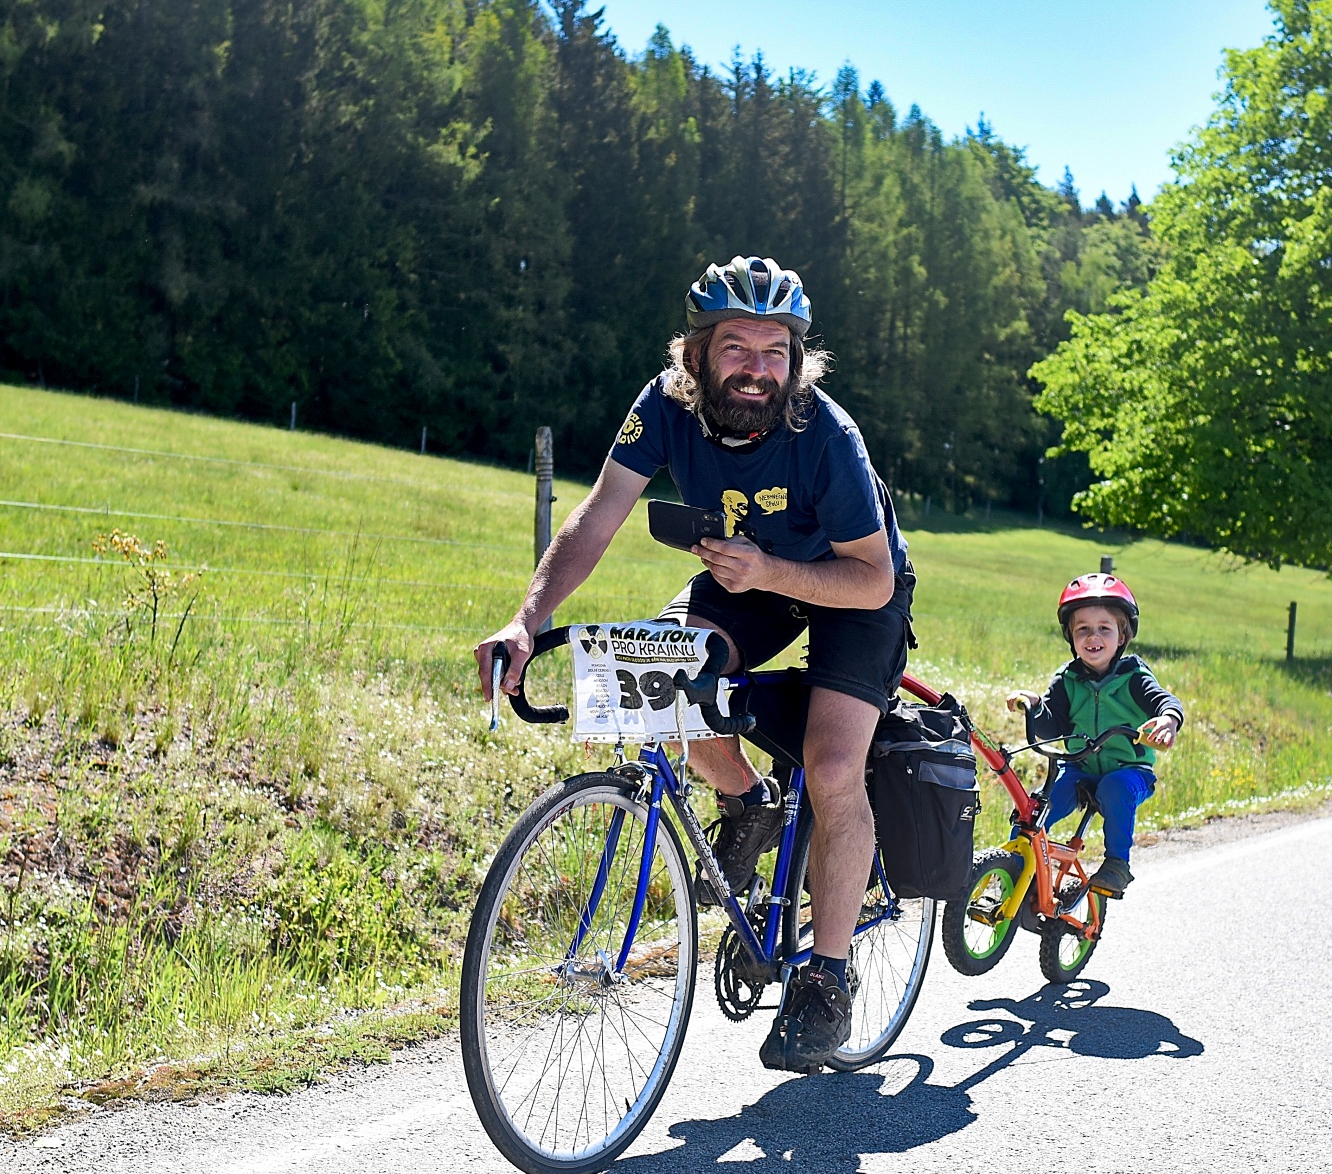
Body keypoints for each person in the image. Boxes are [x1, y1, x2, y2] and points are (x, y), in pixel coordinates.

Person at [474, 255, 915, 1072]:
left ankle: (827, 977)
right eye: (736, 347)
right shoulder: (663, 406)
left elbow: (873, 578)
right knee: (665, 686)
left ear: (797, 359)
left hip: (852, 589)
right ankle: (748, 803)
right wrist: (526, 619)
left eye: (775, 351)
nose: (757, 368)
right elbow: (598, 514)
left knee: (830, 766)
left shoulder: (827, 434)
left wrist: (769, 570)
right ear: (697, 353)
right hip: (747, 574)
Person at [1006, 574, 1183, 897]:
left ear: (1122, 635)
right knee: (1034, 810)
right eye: (1083, 629)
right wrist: (1035, 706)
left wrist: (1168, 719)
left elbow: (1164, 700)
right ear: (1070, 636)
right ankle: (1014, 870)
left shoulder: (1133, 676)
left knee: (1115, 788)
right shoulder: (1068, 679)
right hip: (1079, 768)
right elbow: (1052, 726)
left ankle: (1117, 864)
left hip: (1129, 770)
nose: (1093, 636)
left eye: (1104, 628)